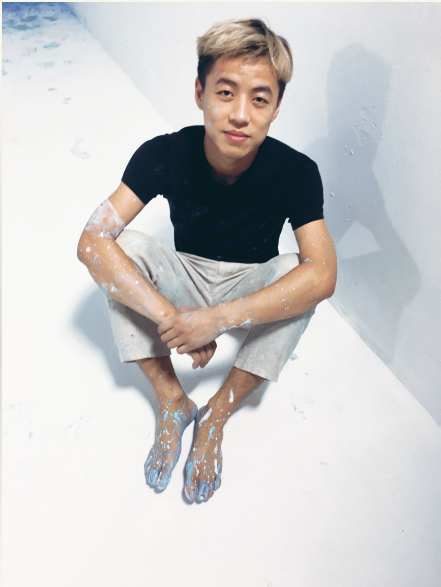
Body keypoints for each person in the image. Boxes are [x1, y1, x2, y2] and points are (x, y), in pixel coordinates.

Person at [77, 17, 337, 503]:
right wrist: (173, 320)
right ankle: (173, 401)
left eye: (259, 99)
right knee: (121, 250)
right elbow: (92, 241)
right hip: (185, 276)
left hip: (249, 283)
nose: (240, 115)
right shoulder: (164, 153)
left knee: (298, 275)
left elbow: (323, 275)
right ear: (200, 93)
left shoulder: (297, 172)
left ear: (276, 107)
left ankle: (217, 412)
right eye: (225, 92)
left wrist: (217, 320)